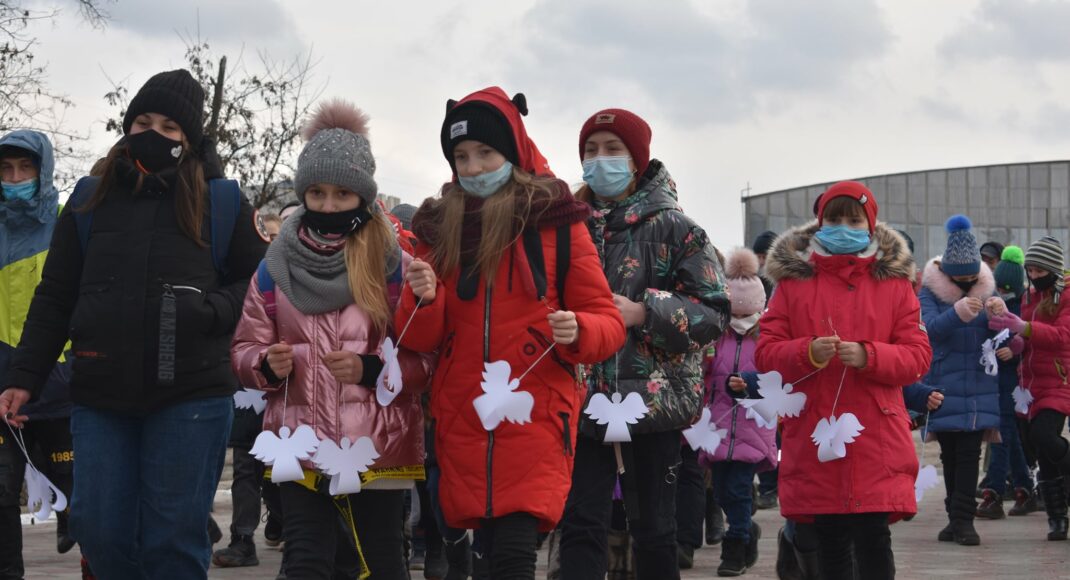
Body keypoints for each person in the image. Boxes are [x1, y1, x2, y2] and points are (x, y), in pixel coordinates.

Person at [0, 69, 267, 579]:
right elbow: (55, 295)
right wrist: (23, 376)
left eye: (169, 126)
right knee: (98, 528)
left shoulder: (224, 201)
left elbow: (255, 288)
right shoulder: (87, 199)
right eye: (143, 121)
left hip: (190, 397)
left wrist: (210, 311)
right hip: (102, 395)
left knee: (174, 538)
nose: (153, 134)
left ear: (189, 138)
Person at [396, 87, 625, 579]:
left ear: (512, 153)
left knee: (515, 550)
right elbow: (415, 339)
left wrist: (579, 327)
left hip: (536, 407)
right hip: (464, 410)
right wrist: (424, 298)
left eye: (485, 152)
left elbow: (607, 323)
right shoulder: (439, 226)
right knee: (487, 552)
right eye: (461, 156)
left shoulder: (557, 221)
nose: (474, 166)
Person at [230, 99, 433, 579]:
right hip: (297, 442)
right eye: (316, 193)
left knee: (381, 560)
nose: (327, 206)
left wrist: (374, 370)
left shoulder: (394, 266)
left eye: (342, 195)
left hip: (379, 444)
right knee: (304, 560)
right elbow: (242, 348)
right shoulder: (274, 267)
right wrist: (264, 363)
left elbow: (428, 358)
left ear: (363, 197)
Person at [558, 108, 730, 580]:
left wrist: (643, 312)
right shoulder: (563, 227)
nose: (600, 160)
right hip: (579, 397)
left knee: (655, 528)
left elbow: (715, 312)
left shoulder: (678, 229)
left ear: (637, 159)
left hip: (654, 401)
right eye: (590, 150)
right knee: (578, 524)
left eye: (612, 149)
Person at [756, 181, 931, 580]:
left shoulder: (895, 286)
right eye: (834, 219)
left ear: (870, 226)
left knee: (873, 539)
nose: (844, 227)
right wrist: (808, 352)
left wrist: (870, 355)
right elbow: (766, 352)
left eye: (854, 219)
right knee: (830, 541)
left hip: (876, 436)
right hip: (817, 434)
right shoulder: (792, 285)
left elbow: (918, 357)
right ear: (820, 224)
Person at [0, 130, 77, 577]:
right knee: (2, 495)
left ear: (42, 170)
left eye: (25, 168)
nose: (15, 178)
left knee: (80, 501)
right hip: (2, 387)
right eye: (6, 170)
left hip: (63, 384)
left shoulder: (68, 223)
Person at [918, 215, 1000, 546]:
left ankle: (965, 520)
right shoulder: (930, 293)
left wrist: (999, 316)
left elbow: (1002, 338)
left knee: (968, 453)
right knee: (950, 455)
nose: (967, 282)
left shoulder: (986, 289)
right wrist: (959, 312)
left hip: (979, 387)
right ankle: (955, 518)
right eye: (961, 277)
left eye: (972, 277)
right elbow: (928, 331)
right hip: (942, 384)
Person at [698, 247, 777, 576]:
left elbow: (779, 381)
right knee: (720, 489)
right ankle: (746, 531)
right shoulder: (715, 335)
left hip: (751, 425)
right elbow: (702, 376)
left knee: (739, 488)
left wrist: (751, 385)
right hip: (716, 425)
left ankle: (736, 544)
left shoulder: (767, 339)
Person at [988, 236, 1070, 541]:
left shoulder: (1066, 295)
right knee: (1041, 452)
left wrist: (1022, 328)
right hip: (1029, 383)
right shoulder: (1027, 297)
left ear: (1052, 268)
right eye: (1030, 270)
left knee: (1043, 436)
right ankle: (1057, 517)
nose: (1033, 276)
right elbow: (1025, 335)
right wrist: (1013, 336)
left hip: (1058, 380)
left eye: (1039, 270)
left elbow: (1063, 336)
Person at [977, 245, 1037, 518]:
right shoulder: (991, 306)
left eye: (1005, 287)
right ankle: (1024, 488)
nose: (1000, 293)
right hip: (996, 379)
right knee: (1008, 436)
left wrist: (1014, 348)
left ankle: (995, 492)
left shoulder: (1022, 307)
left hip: (1013, 382)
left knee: (1001, 434)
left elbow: (1029, 336)